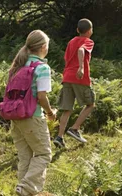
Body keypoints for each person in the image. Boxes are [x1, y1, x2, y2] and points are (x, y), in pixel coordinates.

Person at [7, 30, 56, 196]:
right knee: (44, 154)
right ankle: (26, 188)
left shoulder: (18, 66)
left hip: (15, 118)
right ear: (43, 47)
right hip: (32, 117)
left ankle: (23, 190)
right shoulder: (42, 68)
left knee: (25, 156)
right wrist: (50, 112)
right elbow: (42, 96)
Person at [53, 18, 95, 148]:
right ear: (90, 31)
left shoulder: (71, 42)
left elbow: (66, 58)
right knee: (90, 104)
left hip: (67, 77)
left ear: (77, 30)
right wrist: (81, 67)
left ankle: (59, 137)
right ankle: (75, 128)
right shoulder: (88, 41)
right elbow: (81, 50)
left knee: (67, 109)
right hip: (80, 78)